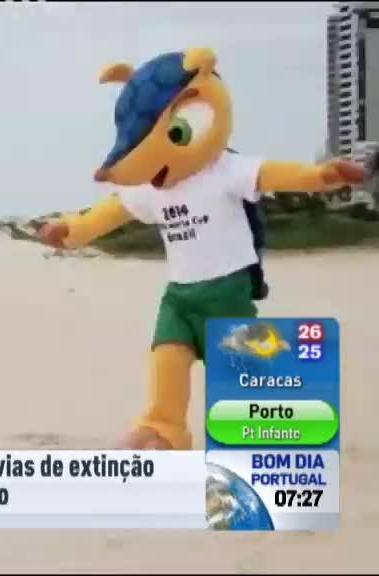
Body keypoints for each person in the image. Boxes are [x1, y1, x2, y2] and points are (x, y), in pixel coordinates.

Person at [38, 48, 366, 449]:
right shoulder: (152, 187)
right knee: (167, 358)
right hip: (179, 297)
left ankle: (279, 432)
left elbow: (280, 174)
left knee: (243, 377)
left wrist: (324, 175)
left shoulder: (226, 170)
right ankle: (164, 429)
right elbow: (109, 212)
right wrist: (70, 231)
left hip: (226, 292)